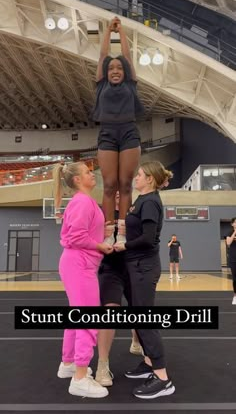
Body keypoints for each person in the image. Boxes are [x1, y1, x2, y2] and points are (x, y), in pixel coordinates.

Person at [114, 161, 175, 399]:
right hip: (136, 266)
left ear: (150, 179)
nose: (135, 178)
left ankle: (163, 378)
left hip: (144, 267)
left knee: (145, 320)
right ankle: (149, 363)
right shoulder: (142, 200)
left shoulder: (150, 201)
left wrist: (124, 245)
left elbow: (149, 238)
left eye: (139, 175)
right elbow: (139, 228)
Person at [53, 161, 113, 398]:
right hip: (79, 265)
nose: (92, 174)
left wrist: (102, 233)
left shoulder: (85, 202)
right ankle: (79, 378)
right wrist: (100, 244)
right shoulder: (82, 201)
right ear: (77, 179)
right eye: (88, 172)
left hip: (78, 263)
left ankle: (68, 364)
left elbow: (79, 233)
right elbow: (76, 236)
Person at [92, 16, 144, 245]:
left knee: (125, 184)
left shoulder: (130, 84)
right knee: (109, 184)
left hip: (129, 132)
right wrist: (107, 32)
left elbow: (127, 56)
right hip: (107, 134)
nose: (115, 70)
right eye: (111, 68)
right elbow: (103, 56)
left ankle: (122, 232)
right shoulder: (101, 84)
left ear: (125, 72)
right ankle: (107, 231)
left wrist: (120, 31)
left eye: (119, 68)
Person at [95, 191, 142, 387]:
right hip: (110, 270)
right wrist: (101, 236)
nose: (117, 194)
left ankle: (136, 342)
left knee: (139, 310)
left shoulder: (134, 214)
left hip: (132, 268)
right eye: (112, 190)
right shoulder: (100, 213)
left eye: (120, 191)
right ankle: (102, 364)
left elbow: (144, 240)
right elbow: (89, 240)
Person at [226, 217, 236, 305]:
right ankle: (235, 296)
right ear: (232, 224)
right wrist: (235, 232)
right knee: (235, 279)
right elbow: (228, 243)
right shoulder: (230, 232)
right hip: (234, 259)